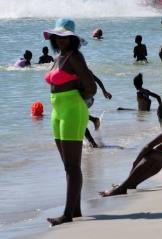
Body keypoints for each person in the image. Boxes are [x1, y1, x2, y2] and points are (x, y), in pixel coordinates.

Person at [43, 18, 97, 226]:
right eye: (58, 37)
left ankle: (67, 214)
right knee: (68, 165)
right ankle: (76, 210)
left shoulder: (74, 56)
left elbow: (90, 86)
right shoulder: (59, 57)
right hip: (57, 111)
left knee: (73, 166)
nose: (61, 40)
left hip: (73, 109)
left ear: (73, 39)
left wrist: (78, 99)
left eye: (65, 37)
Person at [84, 74, 113, 148]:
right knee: (78, 117)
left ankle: (93, 143)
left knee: (79, 119)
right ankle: (94, 120)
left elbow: (97, 80)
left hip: (87, 100)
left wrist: (104, 92)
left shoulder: (81, 69)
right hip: (82, 99)